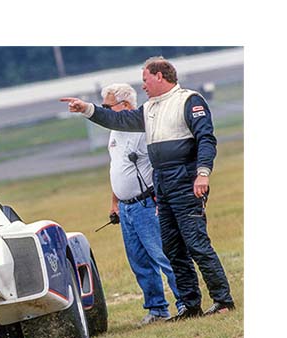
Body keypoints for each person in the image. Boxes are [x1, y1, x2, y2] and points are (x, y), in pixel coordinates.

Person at [61, 56, 233, 320]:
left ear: (159, 76)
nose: (142, 86)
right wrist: (87, 108)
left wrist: (202, 173)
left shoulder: (189, 100)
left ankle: (223, 300)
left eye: (145, 79)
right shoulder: (150, 109)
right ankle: (190, 305)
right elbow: (117, 120)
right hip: (162, 184)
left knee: (197, 244)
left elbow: (207, 139)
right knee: (172, 249)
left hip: (186, 180)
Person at [98, 83, 183, 325]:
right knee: (140, 262)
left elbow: (158, 165)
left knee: (163, 256)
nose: (104, 111)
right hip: (125, 208)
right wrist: (114, 202)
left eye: (107, 106)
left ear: (125, 106)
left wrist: (160, 198)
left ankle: (185, 301)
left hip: (146, 204)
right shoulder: (114, 132)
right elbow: (116, 168)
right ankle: (157, 309)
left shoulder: (144, 128)